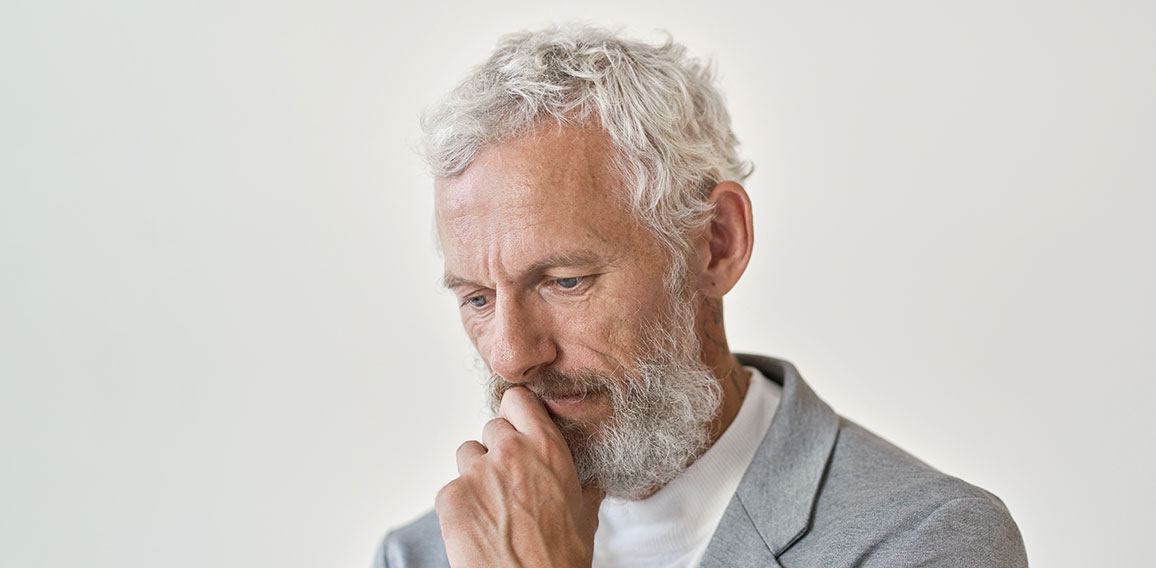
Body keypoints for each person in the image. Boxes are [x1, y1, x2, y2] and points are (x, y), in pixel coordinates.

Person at [375, 25, 1027, 567]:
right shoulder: (418, 555)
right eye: (477, 299)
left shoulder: (925, 541)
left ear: (716, 242)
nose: (512, 356)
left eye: (564, 281)